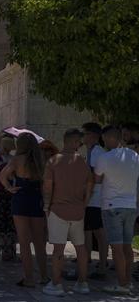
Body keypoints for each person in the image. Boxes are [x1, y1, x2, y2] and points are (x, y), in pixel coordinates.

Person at [41, 129, 94, 296]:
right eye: (79, 142)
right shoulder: (83, 162)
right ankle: (83, 283)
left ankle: (56, 284)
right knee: (81, 248)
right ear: (74, 142)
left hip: (57, 209)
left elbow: (48, 186)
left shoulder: (53, 161)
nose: (80, 145)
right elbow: (90, 185)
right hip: (78, 210)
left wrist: (46, 206)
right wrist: (84, 204)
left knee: (58, 249)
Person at [0, 133, 48, 288]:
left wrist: (9, 188)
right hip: (36, 198)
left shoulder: (17, 160)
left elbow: (1, 176)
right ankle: (45, 276)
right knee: (40, 242)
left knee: (24, 242)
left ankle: (29, 278)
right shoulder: (41, 160)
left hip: (20, 198)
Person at [95, 125, 139, 295]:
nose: (104, 142)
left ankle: (121, 284)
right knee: (127, 246)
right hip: (131, 205)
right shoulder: (135, 156)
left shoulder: (104, 158)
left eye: (105, 139)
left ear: (111, 138)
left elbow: (97, 180)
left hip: (112, 205)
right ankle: (127, 282)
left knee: (117, 248)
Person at [81, 122, 108, 277]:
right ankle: (88, 259)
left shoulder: (97, 152)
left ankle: (103, 265)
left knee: (99, 232)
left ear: (92, 135)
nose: (82, 136)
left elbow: (94, 176)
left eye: (84, 133)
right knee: (88, 230)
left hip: (95, 198)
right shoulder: (91, 151)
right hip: (91, 197)